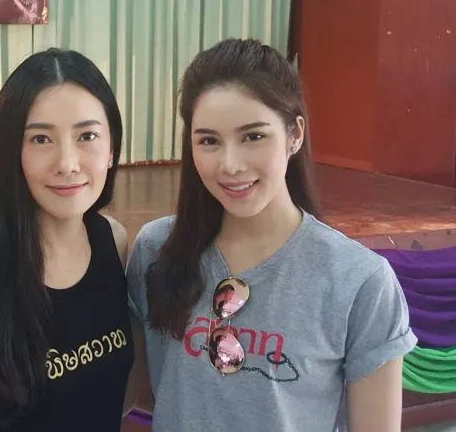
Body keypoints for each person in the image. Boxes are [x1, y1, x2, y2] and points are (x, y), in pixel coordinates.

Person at [125, 38, 416, 432]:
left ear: (294, 134)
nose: (230, 165)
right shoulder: (155, 250)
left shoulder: (359, 281)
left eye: (253, 136)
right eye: (209, 141)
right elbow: (141, 392)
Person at [0, 48, 134, 432]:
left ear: (111, 148)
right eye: (40, 139)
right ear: (12, 152)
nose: (67, 163)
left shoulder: (114, 242)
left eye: (87, 135)